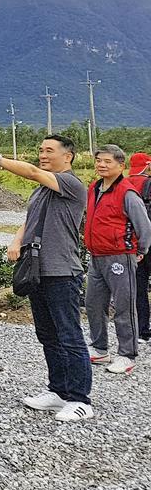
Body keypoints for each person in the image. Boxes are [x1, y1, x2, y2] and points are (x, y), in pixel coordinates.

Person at [0, 137, 93, 421]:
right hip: (38, 270)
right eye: (40, 150)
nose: (42, 155)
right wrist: (17, 241)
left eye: (49, 151)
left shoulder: (71, 183)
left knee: (69, 335)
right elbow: (29, 220)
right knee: (48, 335)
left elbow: (30, 171)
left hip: (62, 271)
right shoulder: (42, 190)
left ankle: (80, 399)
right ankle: (58, 391)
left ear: (69, 157)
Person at [83, 145, 151, 375]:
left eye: (107, 161)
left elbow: (144, 225)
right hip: (96, 256)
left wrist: (140, 249)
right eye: (99, 160)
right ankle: (100, 348)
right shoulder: (94, 188)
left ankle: (127, 354)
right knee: (93, 303)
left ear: (121, 166)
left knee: (124, 305)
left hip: (120, 256)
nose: (101, 165)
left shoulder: (127, 192)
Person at [129, 152, 151, 343]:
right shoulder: (148, 182)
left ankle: (141, 331)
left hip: (133, 244)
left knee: (139, 288)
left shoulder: (125, 184)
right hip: (147, 241)